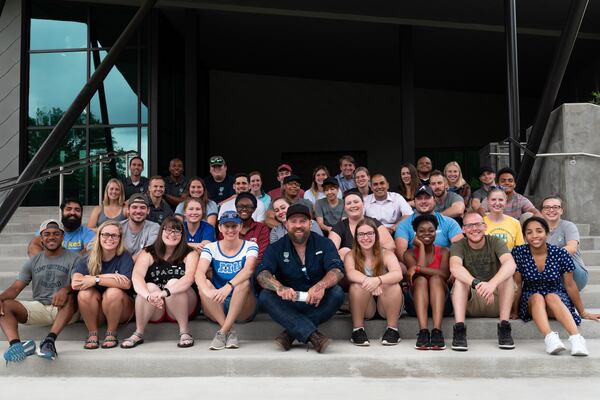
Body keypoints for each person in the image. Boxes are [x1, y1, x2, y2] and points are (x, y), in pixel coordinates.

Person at [256, 204, 345, 353]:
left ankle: (290, 334)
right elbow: (262, 274)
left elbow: (337, 270)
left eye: (303, 221)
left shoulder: (324, 243)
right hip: (289, 301)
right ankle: (314, 336)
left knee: (337, 293)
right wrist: (279, 287)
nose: (298, 226)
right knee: (265, 295)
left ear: (310, 223)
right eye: (293, 221)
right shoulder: (276, 247)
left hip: (316, 300)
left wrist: (321, 286)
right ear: (286, 224)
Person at [512, 217, 599, 356]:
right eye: (529, 232)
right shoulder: (518, 253)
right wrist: (514, 310)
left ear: (547, 233)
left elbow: (570, 285)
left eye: (539, 231)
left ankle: (577, 339)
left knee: (552, 296)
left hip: (556, 299)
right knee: (537, 297)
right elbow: (517, 284)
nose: (534, 236)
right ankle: (550, 338)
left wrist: (582, 312)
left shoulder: (560, 253)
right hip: (531, 300)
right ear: (524, 236)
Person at [1, 219, 79, 362]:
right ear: (41, 238)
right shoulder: (34, 260)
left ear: (62, 237)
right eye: (47, 234)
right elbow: (16, 287)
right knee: (4, 305)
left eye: (56, 233)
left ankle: (49, 341)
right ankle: (17, 345)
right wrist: (0, 298)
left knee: (71, 297)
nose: (51, 237)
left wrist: (66, 289)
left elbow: (79, 283)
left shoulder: (74, 258)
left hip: (65, 310)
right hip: (40, 307)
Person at [121, 217, 199, 349]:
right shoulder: (149, 252)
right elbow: (137, 276)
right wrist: (148, 296)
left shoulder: (189, 252)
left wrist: (165, 292)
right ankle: (138, 333)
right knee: (149, 287)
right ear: (161, 232)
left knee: (174, 283)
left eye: (176, 231)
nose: (172, 234)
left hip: (183, 306)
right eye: (168, 230)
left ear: (182, 235)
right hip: (155, 307)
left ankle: (184, 332)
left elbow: (189, 278)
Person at [449, 212, 516, 351]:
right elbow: (454, 267)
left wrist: (492, 284)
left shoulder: (496, 242)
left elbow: (510, 264)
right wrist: (477, 284)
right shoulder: (458, 245)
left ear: (485, 226)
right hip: (471, 301)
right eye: (469, 225)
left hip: (496, 300)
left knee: (507, 277)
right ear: (463, 229)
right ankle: (460, 330)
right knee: (460, 281)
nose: (474, 229)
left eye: (478, 224)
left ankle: (504, 327)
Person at [196, 211, 259, 350]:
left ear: (240, 226)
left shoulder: (250, 245)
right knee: (204, 283)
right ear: (220, 227)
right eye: (226, 226)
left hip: (242, 305)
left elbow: (248, 270)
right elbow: (199, 272)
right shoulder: (211, 247)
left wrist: (229, 286)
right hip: (217, 303)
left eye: (234, 226)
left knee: (243, 282)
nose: (230, 230)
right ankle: (229, 331)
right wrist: (205, 290)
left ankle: (222, 332)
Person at [72, 221, 134, 349]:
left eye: (114, 235)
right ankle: (93, 334)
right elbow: (75, 283)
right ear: (99, 236)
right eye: (105, 234)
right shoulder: (87, 258)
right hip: (97, 311)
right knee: (84, 293)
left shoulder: (124, 256)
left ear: (120, 239)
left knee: (113, 292)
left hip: (121, 310)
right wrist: (111, 277)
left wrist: (96, 279)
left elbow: (126, 284)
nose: (109, 239)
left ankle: (111, 332)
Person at [344, 219, 404, 346]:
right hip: (366, 306)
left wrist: (378, 280)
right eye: (361, 234)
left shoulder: (386, 253)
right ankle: (357, 330)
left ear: (376, 235)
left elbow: (398, 273)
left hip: (386, 304)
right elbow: (350, 272)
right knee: (356, 285)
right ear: (356, 237)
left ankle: (393, 329)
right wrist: (368, 281)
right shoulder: (351, 255)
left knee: (392, 284)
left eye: (370, 233)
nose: (366, 237)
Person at [403, 215, 451, 350]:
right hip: (415, 305)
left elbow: (444, 275)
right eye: (421, 231)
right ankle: (423, 332)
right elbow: (419, 275)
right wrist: (422, 248)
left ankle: (437, 331)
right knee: (421, 280)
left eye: (431, 230)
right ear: (415, 233)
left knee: (436, 279)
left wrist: (417, 267)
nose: (426, 234)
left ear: (436, 232)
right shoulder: (409, 254)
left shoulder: (444, 251)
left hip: (442, 304)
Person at [394, 185, 463, 261]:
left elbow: (460, 249)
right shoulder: (404, 225)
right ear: (414, 202)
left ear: (435, 200)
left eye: (427, 197)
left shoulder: (450, 223)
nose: (423, 201)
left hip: (444, 267)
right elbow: (401, 255)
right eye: (419, 198)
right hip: (415, 267)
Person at [330, 190, 396, 260]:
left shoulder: (374, 222)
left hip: (376, 263)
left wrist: (368, 258)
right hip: (351, 267)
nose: (353, 205)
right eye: (349, 203)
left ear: (363, 204)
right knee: (344, 251)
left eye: (356, 202)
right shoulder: (339, 227)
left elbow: (390, 246)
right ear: (344, 208)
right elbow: (331, 252)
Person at [541, 196, 588, 290]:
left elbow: (572, 248)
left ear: (561, 211)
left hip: (576, 275)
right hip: (552, 275)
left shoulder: (568, 226)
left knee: (562, 257)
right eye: (547, 207)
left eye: (555, 207)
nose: (551, 210)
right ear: (542, 211)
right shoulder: (539, 229)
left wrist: (547, 256)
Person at [27, 198, 95, 257]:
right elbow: (33, 247)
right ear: (62, 212)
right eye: (68, 209)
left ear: (81, 213)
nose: (73, 212)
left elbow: (89, 252)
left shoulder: (88, 233)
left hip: (76, 269)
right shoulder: (48, 228)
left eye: (77, 210)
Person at [218, 193, 269, 265]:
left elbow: (260, 255)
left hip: (254, 268)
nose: (244, 209)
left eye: (248, 206)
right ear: (236, 207)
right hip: (230, 267)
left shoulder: (261, 228)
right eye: (240, 206)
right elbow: (222, 251)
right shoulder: (227, 227)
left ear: (254, 209)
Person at [120, 193, 160, 262]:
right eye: (134, 207)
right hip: (119, 267)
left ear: (148, 211)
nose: (138, 211)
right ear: (128, 210)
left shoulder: (154, 227)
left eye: (142, 208)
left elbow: (148, 250)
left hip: (144, 267)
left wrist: (127, 265)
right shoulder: (118, 227)